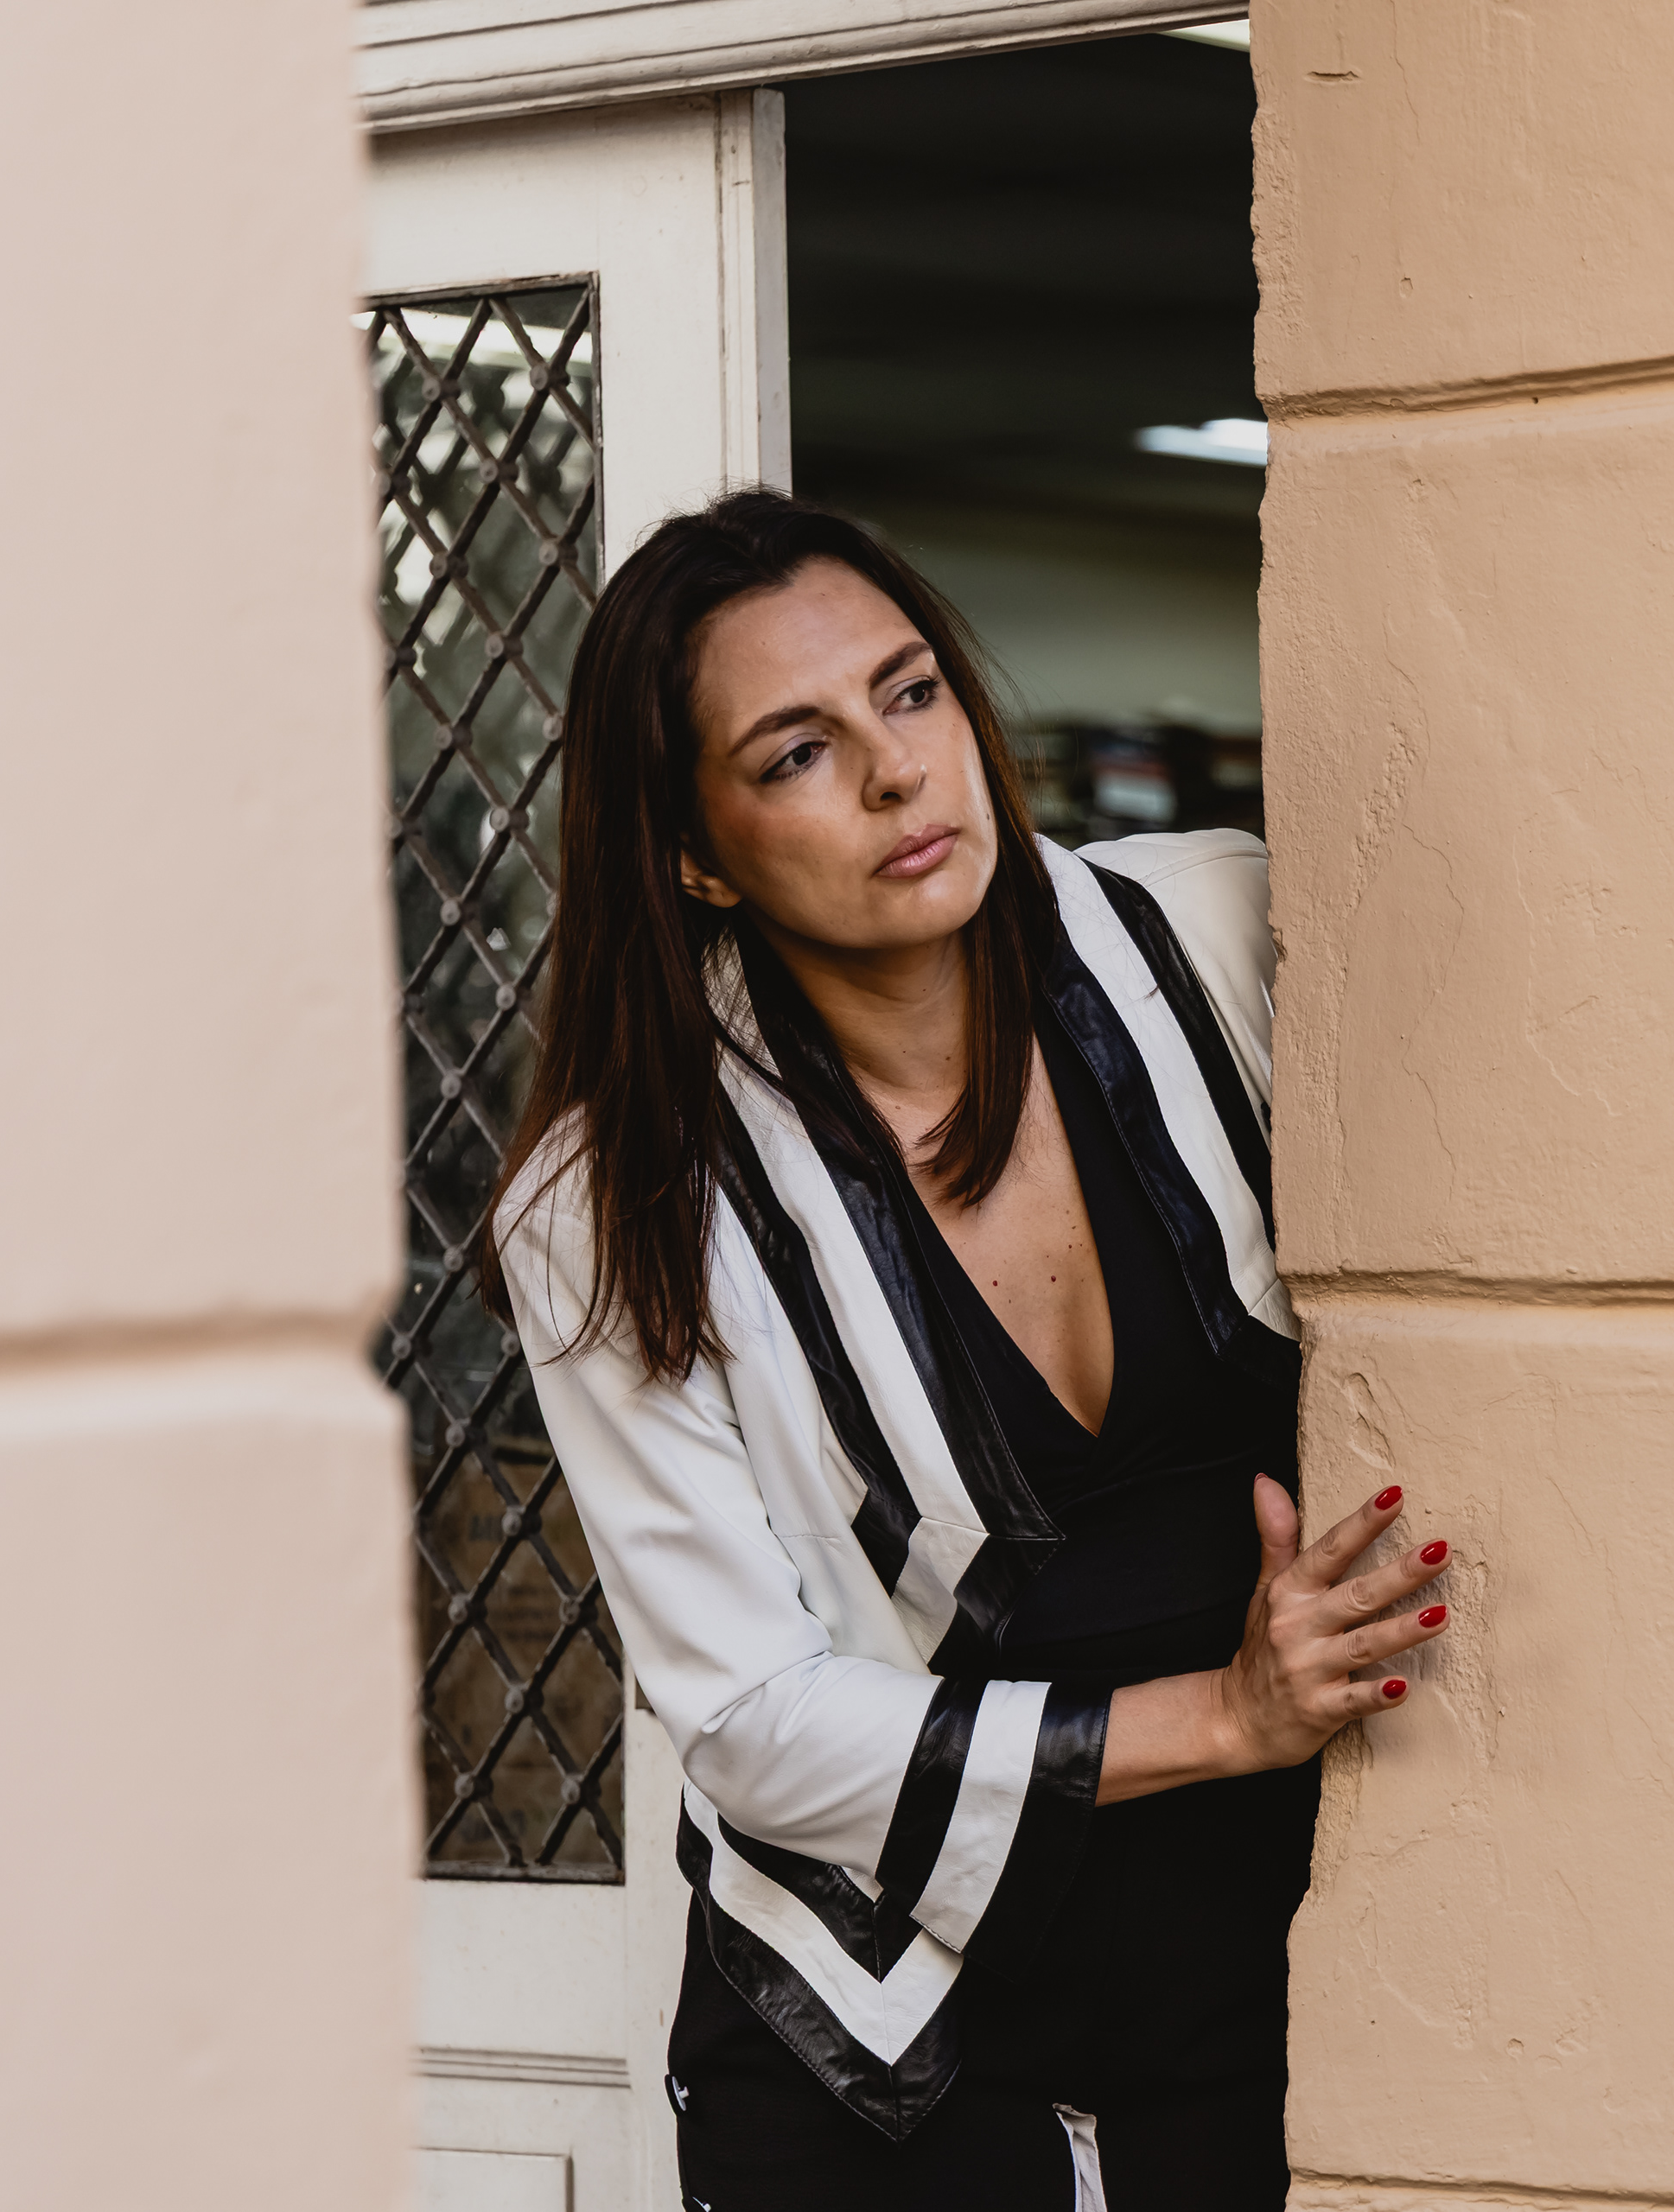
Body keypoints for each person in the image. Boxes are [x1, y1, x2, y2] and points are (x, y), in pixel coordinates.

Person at [479, 490, 1450, 2209]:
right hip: (887, 2052)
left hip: (1267, 1995)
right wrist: (1224, 1715)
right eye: (796, 752)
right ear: (694, 852)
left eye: (911, 691)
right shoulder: (620, 1197)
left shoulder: (1219, 941)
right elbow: (753, 1718)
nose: (895, 772)